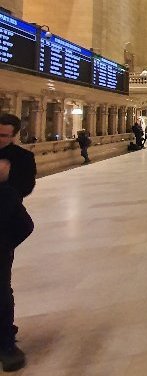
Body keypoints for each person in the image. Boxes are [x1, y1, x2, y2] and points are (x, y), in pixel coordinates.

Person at [0, 114, 37, 372]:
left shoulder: (22, 159)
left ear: (13, 135)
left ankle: (6, 342)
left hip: (3, 230)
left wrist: (3, 181)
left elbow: (22, 190)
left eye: (3, 135)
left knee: (1, 288)